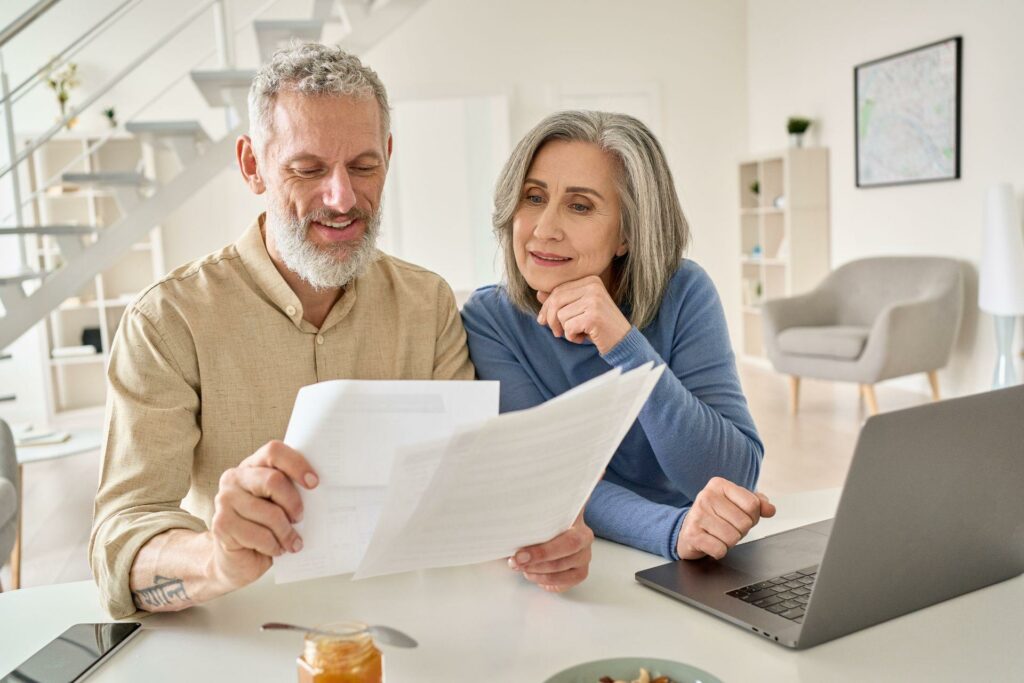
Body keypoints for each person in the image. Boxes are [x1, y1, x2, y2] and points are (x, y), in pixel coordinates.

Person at [89, 44, 591, 618]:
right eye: (307, 169)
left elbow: (468, 488)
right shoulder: (168, 321)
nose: (343, 198)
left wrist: (544, 530)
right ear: (253, 165)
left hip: (412, 628)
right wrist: (214, 559)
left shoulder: (427, 304)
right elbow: (121, 537)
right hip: (245, 632)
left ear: (389, 156)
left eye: (363, 166)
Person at [461, 111, 776, 572]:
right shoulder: (490, 319)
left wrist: (625, 345)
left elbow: (733, 475)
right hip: (576, 556)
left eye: (580, 206)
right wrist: (671, 530)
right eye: (533, 197)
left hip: (692, 558)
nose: (544, 228)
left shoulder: (684, 292)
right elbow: (551, 478)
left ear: (627, 232)